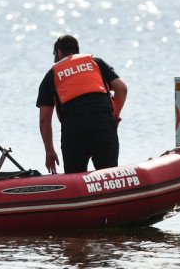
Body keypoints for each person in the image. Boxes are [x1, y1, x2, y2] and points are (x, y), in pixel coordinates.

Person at [37, 35, 128, 174]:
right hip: (103, 124)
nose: (54, 58)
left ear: (59, 52)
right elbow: (122, 89)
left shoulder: (51, 75)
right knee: (109, 177)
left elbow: (44, 119)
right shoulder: (96, 63)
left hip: (74, 130)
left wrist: (49, 151)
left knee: (75, 177)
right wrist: (114, 115)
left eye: (54, 54)